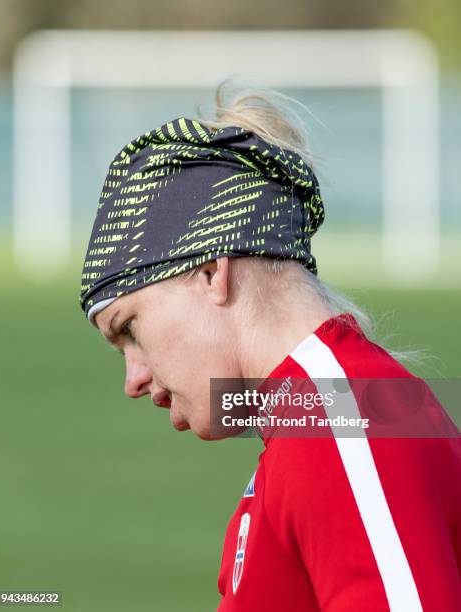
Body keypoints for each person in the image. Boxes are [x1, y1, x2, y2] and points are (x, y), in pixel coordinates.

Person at [79, 84, 461, 611]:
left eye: (130, 330)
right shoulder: (321, 412)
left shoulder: (339, 420)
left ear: (211, 272)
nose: (134, 380)